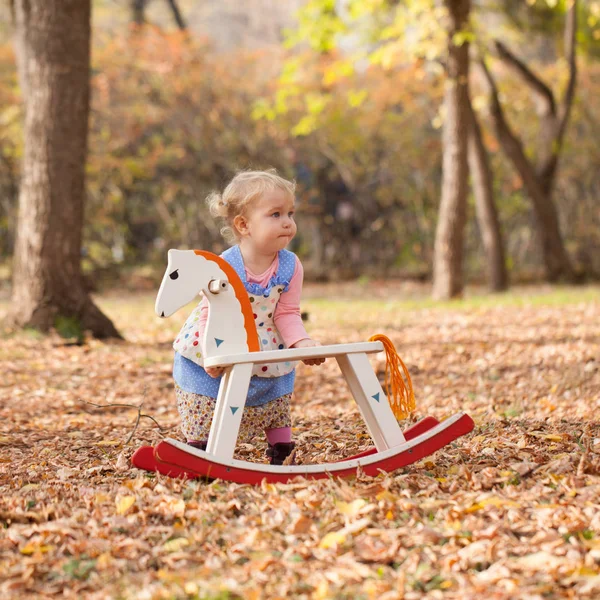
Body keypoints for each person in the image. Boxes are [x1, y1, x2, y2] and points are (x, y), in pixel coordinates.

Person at [172, 169, 325, 465]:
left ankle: (281, 449)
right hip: (217, 338)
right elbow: (209, 311)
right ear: (244, 225)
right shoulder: (224, 265)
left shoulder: (291, 266)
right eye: (276, 214)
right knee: (209, 399)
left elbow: (287, 312)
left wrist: (301, 342)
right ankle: (199, 450)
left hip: (265, 342)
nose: (287, 222)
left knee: (274, 395)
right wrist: (211, 353)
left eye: (290, 214)